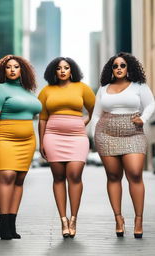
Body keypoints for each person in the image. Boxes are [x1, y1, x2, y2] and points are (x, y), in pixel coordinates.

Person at [92, 52, 155, 239]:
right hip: (106, 134)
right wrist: (95, 133)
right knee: (113, 176)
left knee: (135, 174)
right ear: (111, 69)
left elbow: (151, 104)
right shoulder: (103, 88)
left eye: (123, 65)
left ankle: (138, 219)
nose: (119, 68)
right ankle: (118, 219)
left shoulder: (139, 86)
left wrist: (143, 119)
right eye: (115, 66)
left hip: (133, 133)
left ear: (129, 68)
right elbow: (96, 113)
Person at [38, 57, 95, 238]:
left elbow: (95, 109)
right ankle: (63, 220)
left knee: (75, 174)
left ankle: (73, 218)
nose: (62, 71)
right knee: (59, 177)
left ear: (72, 70)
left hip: (77, 137)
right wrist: (42, 142)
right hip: (52, 136)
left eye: (66, 67)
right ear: (53, 72)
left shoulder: (82, 88)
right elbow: (42, 119)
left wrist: (82, 122)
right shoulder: (46, 91)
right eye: (59, 68)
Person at [0, 55, 42, 240]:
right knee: (7, 176)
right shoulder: (0, 89)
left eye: (16, 67)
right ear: (3, 71)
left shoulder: (28, 91)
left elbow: (37, 111)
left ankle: (12, 223)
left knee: (19, 180)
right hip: (5, 137)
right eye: (8, 67)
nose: (12, 70)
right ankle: (3, 222)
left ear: (22, 70)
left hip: (27, 141)